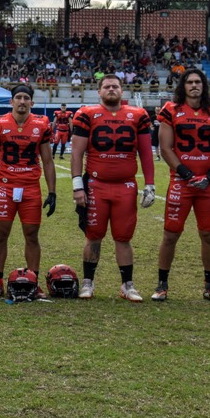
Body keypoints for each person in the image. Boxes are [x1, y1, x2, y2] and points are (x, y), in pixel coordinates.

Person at [70, 74, 156, 302]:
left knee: (123, 237)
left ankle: (127, 285)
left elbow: (146, 152)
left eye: (115, 86)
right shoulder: (87, 114)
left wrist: (150, 184)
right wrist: (77, 185)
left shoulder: (138, 115)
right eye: (106, 86)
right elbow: (77, 152)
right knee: (93, 235)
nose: (111, 89)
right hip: (96, 185)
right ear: (98, 91)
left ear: (122, 90)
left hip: (126, 186)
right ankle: (88, 282)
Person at [152, 68, 210, 303]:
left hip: (208, 184)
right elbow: (165, 148)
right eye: (190, 82)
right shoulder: (171, 110)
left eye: (198, 82)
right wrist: (187, 174)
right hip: (181, 182)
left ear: (204, 86)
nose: (194, 86)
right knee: (170, 234)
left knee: (209, 235)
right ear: (183, 86)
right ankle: (162, 285)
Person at [0, 84, 56, 299]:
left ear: (32, 102)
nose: (22, 101)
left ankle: (34, 281)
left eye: (26, 98)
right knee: (1, 234)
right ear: (11, 101)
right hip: (5, 185)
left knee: (31, 235)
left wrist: (53, 192)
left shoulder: (41, 124)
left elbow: (48, 161)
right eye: (18, 97)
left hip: (31, 186)